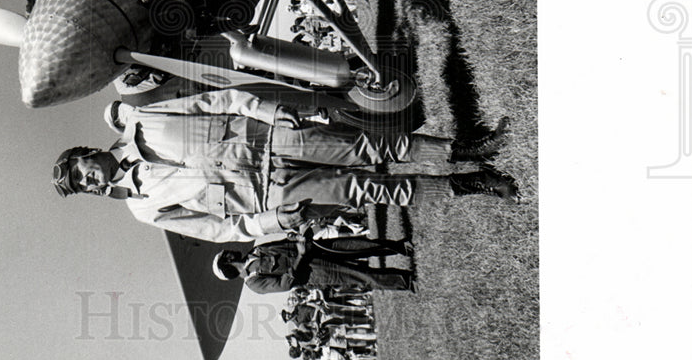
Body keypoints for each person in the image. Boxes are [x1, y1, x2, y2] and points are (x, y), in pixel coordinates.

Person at [52, 88, 517, 241]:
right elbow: (220, 230)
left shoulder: (141, 118)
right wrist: (271, 222)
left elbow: (218, 101)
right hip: (270, 197)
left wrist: (266, 110)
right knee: (371, 191)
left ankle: (471, 149)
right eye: (81, 188)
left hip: (272, 138)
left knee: (371, 149)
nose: (89, 181)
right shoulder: (143, 209)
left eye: (80, 172)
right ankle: (474, 184)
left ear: (86, 152)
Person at [211, 232, 415, 293]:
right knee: (361, 277)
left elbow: (282, 243)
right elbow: (285, 283)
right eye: (227, 255)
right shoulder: (254, 282)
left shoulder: (255, 251)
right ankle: (406, 281)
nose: (231, 251)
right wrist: (300, 256)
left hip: (312, 249)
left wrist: (296, 238)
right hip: (314, 272)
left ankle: (400, 247)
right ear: (228, 264)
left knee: (357, 245)